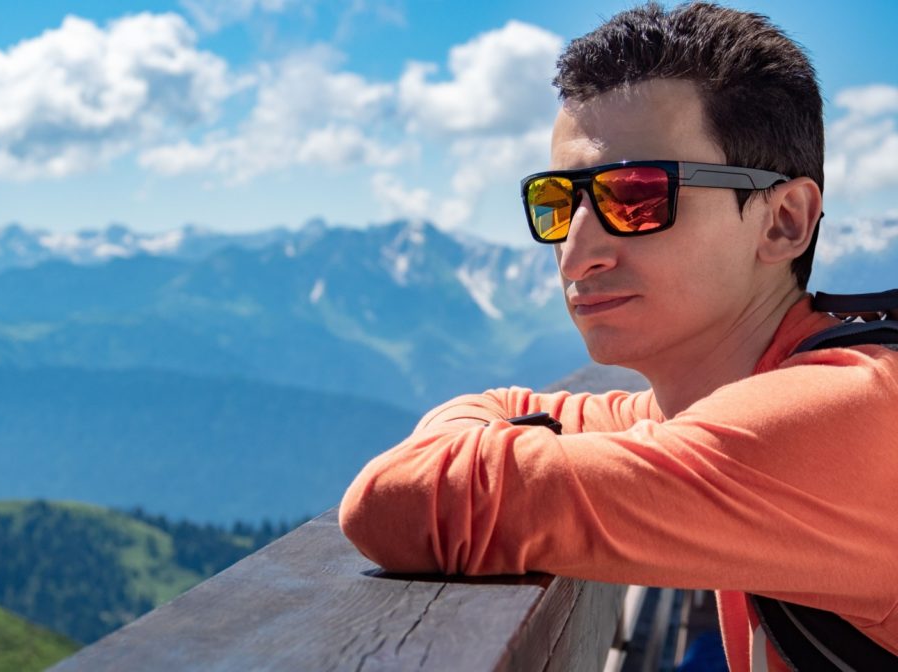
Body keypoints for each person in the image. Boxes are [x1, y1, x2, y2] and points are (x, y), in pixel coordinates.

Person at [338, 2, 898, 671]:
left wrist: (472, 443)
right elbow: (506, 408)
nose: (576, 255)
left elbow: (395, 501)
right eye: (557, 204)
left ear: (783, 221)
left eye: (635, 197)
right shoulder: (713, 401)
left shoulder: (845, 419)